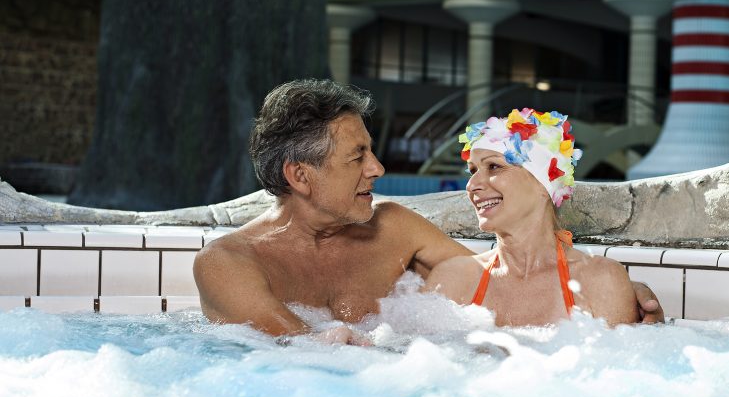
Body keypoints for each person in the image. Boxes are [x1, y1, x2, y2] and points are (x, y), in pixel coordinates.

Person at [193, 80, 663, 341]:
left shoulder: (395, 229)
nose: (377, 168)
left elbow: (503, 277)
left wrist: (610, 291)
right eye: (357, 156)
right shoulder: (228, 264)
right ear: (300, 176)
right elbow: (304, 353)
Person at [422, 109, 637, 327]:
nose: (471, 185)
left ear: (543, 185)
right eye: (473, 170)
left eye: (494, 166)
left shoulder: (600, 281)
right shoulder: (452, 281)